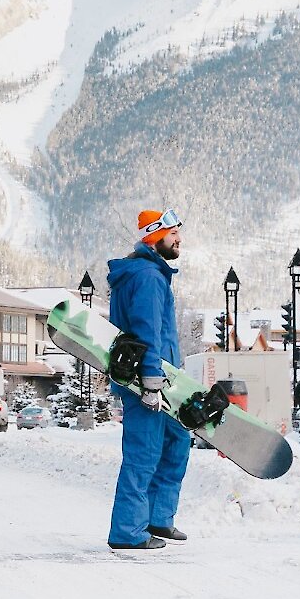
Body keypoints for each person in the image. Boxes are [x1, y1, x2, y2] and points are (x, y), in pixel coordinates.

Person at [107, 210, 189, 551]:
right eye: (172, 234)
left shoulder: (149, 274)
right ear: (154, 237)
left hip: (166, 377)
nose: (179, 239)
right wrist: (152, 381)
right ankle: (127, 532)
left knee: (176, 442)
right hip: (149, 380)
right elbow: (147, 331)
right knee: (143, 454)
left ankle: (158, 517)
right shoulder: (148, 278)